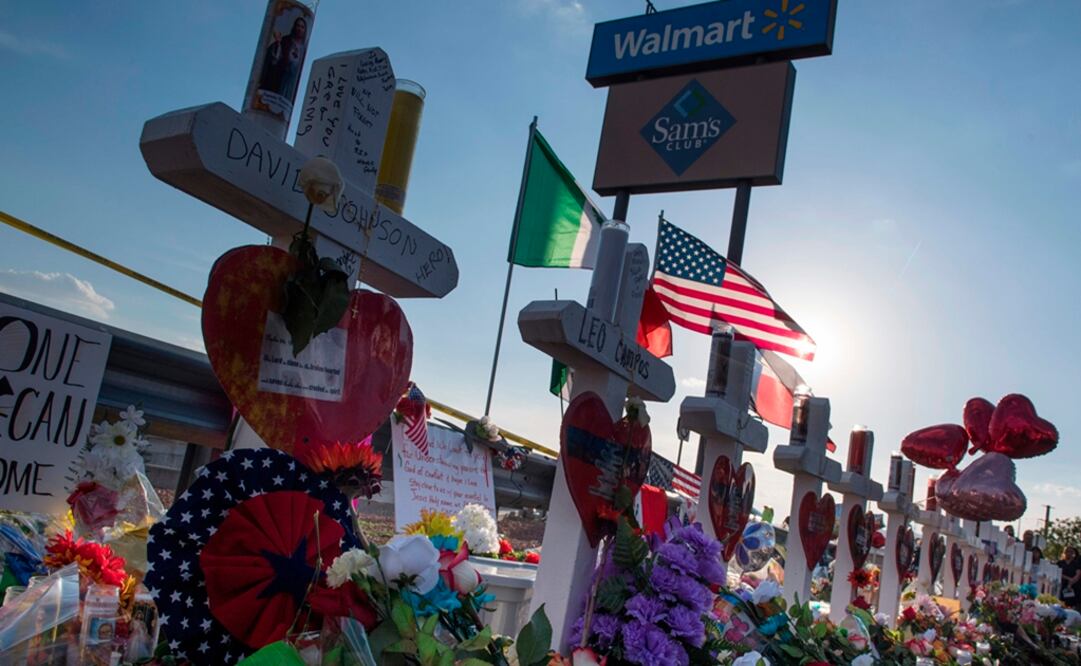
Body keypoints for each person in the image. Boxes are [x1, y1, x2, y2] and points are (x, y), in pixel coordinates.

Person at [258, 15, 309, 98]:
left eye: (302, 27)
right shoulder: (286, 41)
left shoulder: (303, 49)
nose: (299, 29)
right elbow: (274, 59)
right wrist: (278, 45)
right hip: (278, 81)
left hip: (290, 86)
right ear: (294, 27)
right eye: (298, 26)